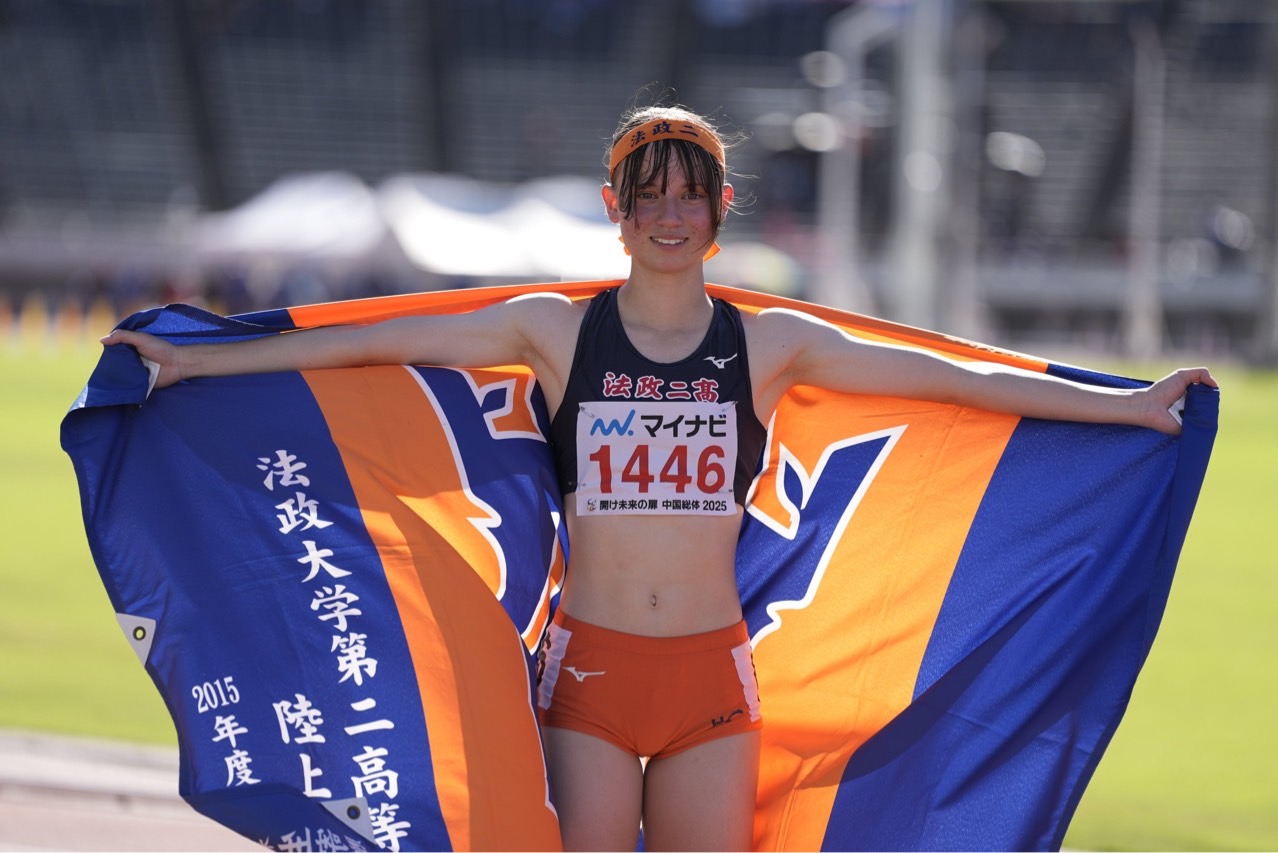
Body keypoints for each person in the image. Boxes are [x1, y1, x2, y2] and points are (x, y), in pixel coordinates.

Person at [102, 102, 1216, 852]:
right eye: (650, 196)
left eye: (691, 196)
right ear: (618, 211)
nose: (671, 215)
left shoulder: (768, 345)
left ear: (720, 214)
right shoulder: (554, 330)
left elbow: (956, 380)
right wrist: (204, 360)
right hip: (590, 674)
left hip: (711, 681)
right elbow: (367, 346)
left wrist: (1126, 406)